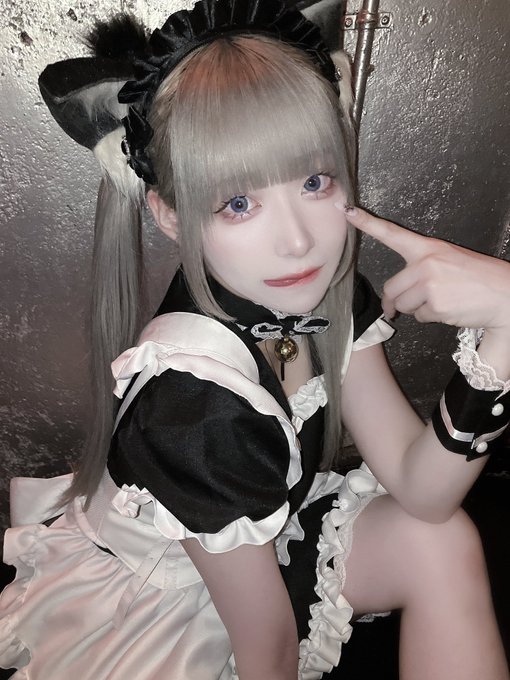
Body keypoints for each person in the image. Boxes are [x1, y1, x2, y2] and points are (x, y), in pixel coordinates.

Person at [1, 1, 509, 678]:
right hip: (168, 600)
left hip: (261, 545)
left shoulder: (321, 297)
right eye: (239, 203)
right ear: (169, 214)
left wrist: (504, 332)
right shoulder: (191, 409)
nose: (297, 241)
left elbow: (425, 493)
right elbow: (265, 646)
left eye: (314, 181)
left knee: (441, 540)